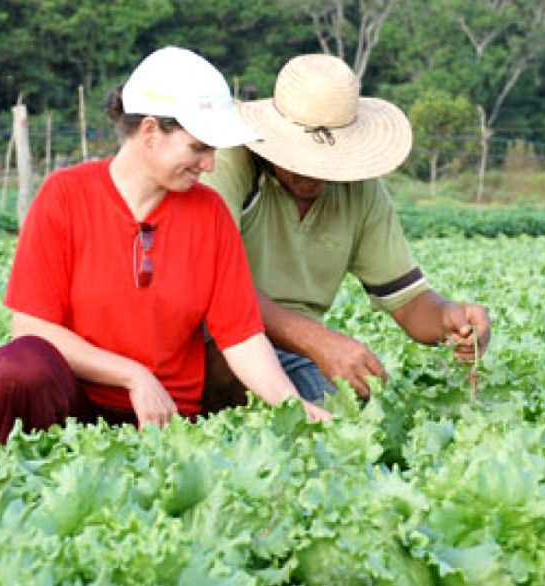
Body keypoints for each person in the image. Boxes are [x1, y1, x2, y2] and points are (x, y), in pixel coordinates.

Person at [0, 46, 330, 444]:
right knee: (20, 369)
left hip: (163, 417)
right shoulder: (66, 194)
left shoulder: (209, 213)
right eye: (198, 147)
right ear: (149, 132)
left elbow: (241, 337)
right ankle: (5, 477)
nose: (209, 164)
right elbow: (31, 327)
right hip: (75, 400)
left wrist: (293, 406)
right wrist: (132, 375)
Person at [201, 53, 491, 407]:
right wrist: (318, 341)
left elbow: (409, 300)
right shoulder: (229, 163)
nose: (314, 171)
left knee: (359, 409)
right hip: (218, 341)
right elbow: (215, 287)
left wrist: (449, 318)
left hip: (296, 352)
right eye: (300, 157)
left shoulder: (361, 189)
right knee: (238, 377)